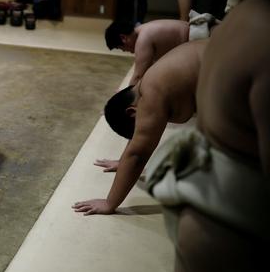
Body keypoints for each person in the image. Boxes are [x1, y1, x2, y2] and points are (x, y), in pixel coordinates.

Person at [142, 0, 270, 272]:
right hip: (227, 218)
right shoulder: (260, 32)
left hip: (198, 200)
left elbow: (137, 150)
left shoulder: (240, 19)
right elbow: (136, 151)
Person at [72, 39, 207, 215]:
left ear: (131, 112)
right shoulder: (150, 81)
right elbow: (139, 137)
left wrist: (109, 202)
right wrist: (122, 162)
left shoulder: (151, 92)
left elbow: (138, 153)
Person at [105, 19, 196, 85]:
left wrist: (123, 97)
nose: (126, 51)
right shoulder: (143, 29)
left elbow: (138, 76)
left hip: (197, 41)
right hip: (196, 36)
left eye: (122, 48)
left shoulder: (142, 40)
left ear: (123, 38)